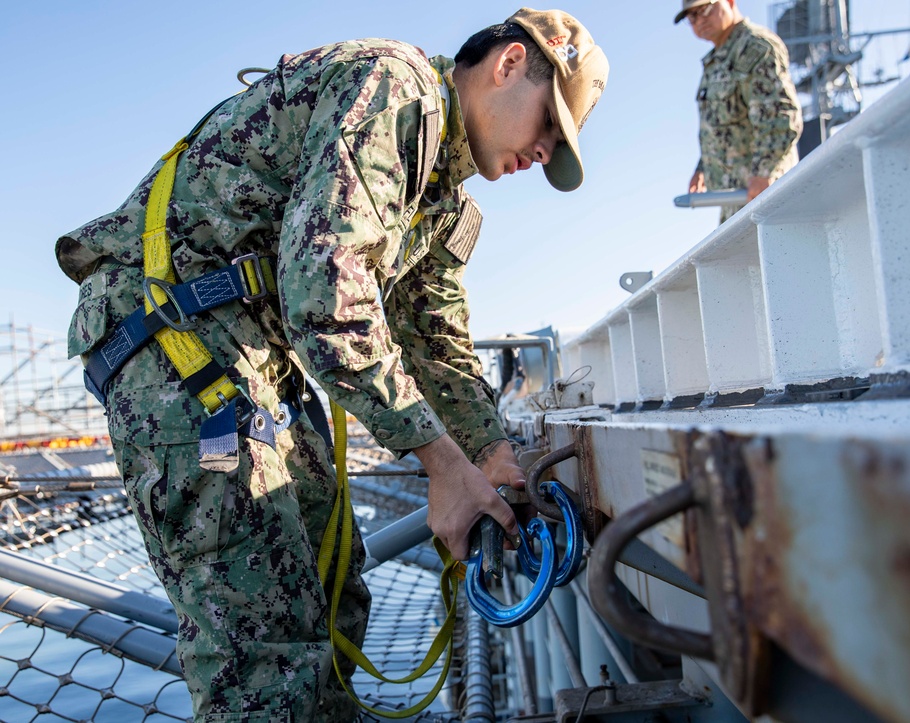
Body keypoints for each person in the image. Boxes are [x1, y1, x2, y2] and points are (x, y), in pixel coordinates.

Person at [55, 8, 608, 721]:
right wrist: (444, 467)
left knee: (332, 585)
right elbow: (326, 299)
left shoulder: (443, 201)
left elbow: (436, 341)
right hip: (173, 334)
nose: (544, 150)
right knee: (269, 645)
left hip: (249, 351)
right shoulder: (396, 89)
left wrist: (491, 451)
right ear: (508, 64)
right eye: (549, 124)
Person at [676, 0, 802, 223]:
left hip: (766, 193)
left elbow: (780, 114)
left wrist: (764, 172)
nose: (699, 20)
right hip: (735, 199)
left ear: (730, 2)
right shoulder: (717, 61)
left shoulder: (754, 47)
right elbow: (722, 124)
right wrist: (703, 167)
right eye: (691, 17)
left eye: (704, 9)